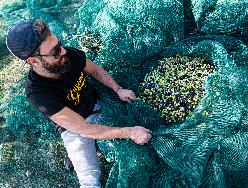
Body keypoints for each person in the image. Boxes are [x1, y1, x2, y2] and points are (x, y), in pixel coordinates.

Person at [6, 19, 152, 188]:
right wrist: (130, 132)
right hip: (75, 129)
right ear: (33, 61)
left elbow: (95, 70)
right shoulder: (38, 93)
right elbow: (85, 129)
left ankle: (96, 147)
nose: (62, 51)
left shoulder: (68, 54)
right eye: (54, 51)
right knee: (90, 182)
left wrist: (118, 89)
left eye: (59, 44)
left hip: (98, 106)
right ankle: (78, 154)